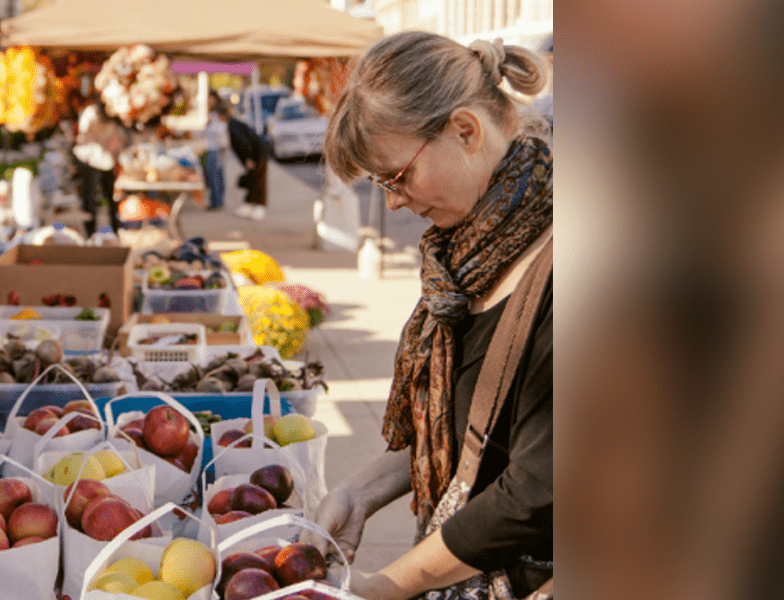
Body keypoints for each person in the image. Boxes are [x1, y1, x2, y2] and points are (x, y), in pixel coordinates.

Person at [307, 32, 553, 599]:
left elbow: (540, 487)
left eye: (397, 177)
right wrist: (361, 489)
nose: (393, 202)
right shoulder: (467, 249)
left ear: (465, 130)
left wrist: (388, 586)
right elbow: (473, 427)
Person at [73, 92, 126, 237]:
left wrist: (116, 156)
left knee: (111, 197)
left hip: (105, 160)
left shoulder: (112, 116)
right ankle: (90, 232)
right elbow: (84, 136)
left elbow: (115, 139)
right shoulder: (91, 114)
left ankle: (115, 230)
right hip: (90, 160)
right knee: (90, 198)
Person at [213, 101, 269, 220]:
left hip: (257, 155)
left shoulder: (232, 126)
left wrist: (249, 159)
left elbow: (244, 143)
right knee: (252, 180)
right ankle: (248, 204)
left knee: (258, 181)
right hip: (255, 154)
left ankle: (260, 207)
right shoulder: (232, 124)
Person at [202, 93, 230, 211]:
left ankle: (216, 201)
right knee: (217, 174)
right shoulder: (213, 113)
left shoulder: (218, 112)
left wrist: (208, 125)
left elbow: (219, 129)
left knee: (214, 175)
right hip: (215, 147)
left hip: (215, 148)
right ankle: (217, 201)